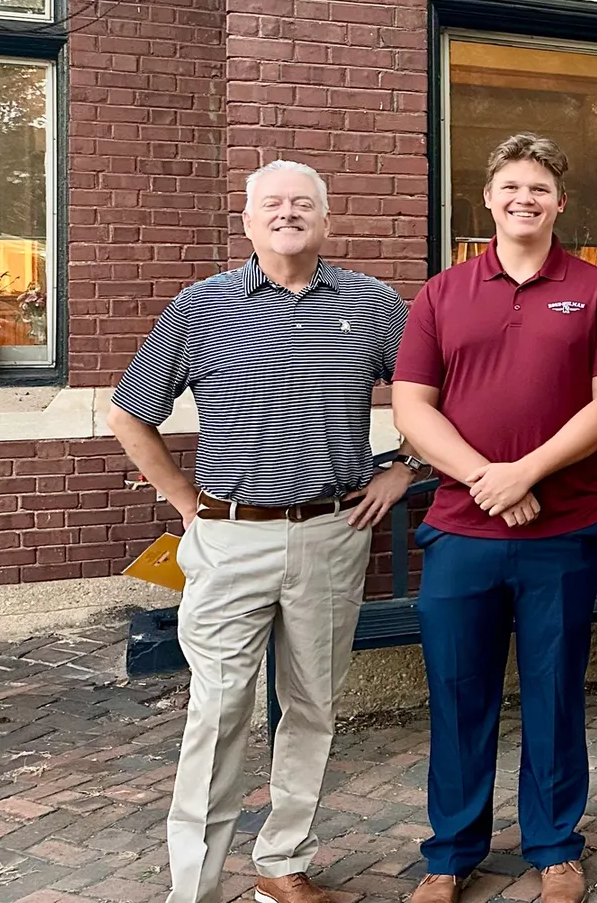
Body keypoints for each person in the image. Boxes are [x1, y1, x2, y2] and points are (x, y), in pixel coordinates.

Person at [109, 161, 421, 903]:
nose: (288, 213)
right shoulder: (201, 307)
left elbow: (434, 394)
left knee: (313, 706)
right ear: (248, 221)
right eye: (272, 204)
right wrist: (183, 500)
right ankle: (195, 887)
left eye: (303, 203)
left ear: (327, 220)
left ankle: (282, 863)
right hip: (229, 537)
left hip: (332, 532)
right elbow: (131, 410)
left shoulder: (374, 305)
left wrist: (405, 466)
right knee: (218, 712)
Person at [391, 134, 597, 903]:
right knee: (457, 695)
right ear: (489, 199)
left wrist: (525, 473)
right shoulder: (442, 294)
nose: (523, 199)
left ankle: (555, 845)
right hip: (461, 535)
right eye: (510, 186)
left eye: (538, 188)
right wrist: (485, 479)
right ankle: (450, 853)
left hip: (560, 534)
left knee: (555, 694)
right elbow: (411, 406)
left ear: (559, 202)